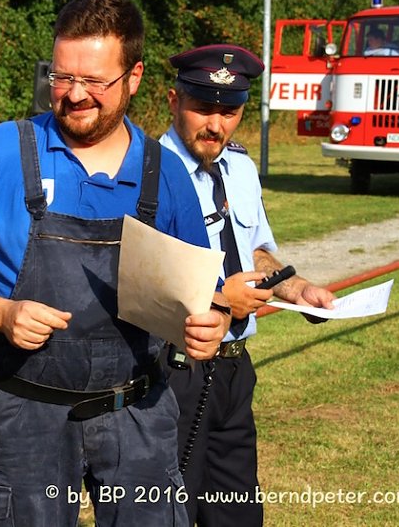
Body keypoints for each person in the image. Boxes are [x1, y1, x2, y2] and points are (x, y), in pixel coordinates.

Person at [0, 0, 231, 526]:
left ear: (133, 77)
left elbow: (208, 293)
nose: (75, 95)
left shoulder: (166, 173)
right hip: (27, 415)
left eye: (95, 81)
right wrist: (0, 314)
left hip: (138, 411)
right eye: (62, 78)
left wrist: (214, 322)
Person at [159, 44, 336, 526]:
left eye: (230, 111)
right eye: (203, 109)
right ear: (173, 101)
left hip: (235, 374)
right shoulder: (149, 172)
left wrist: (297, 290)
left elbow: (256, 251)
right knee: (168, 514)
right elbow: (141, 285)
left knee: (237, 516)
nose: (216, 125)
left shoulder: (239, 168)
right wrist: (220, 299)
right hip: (173, 374)